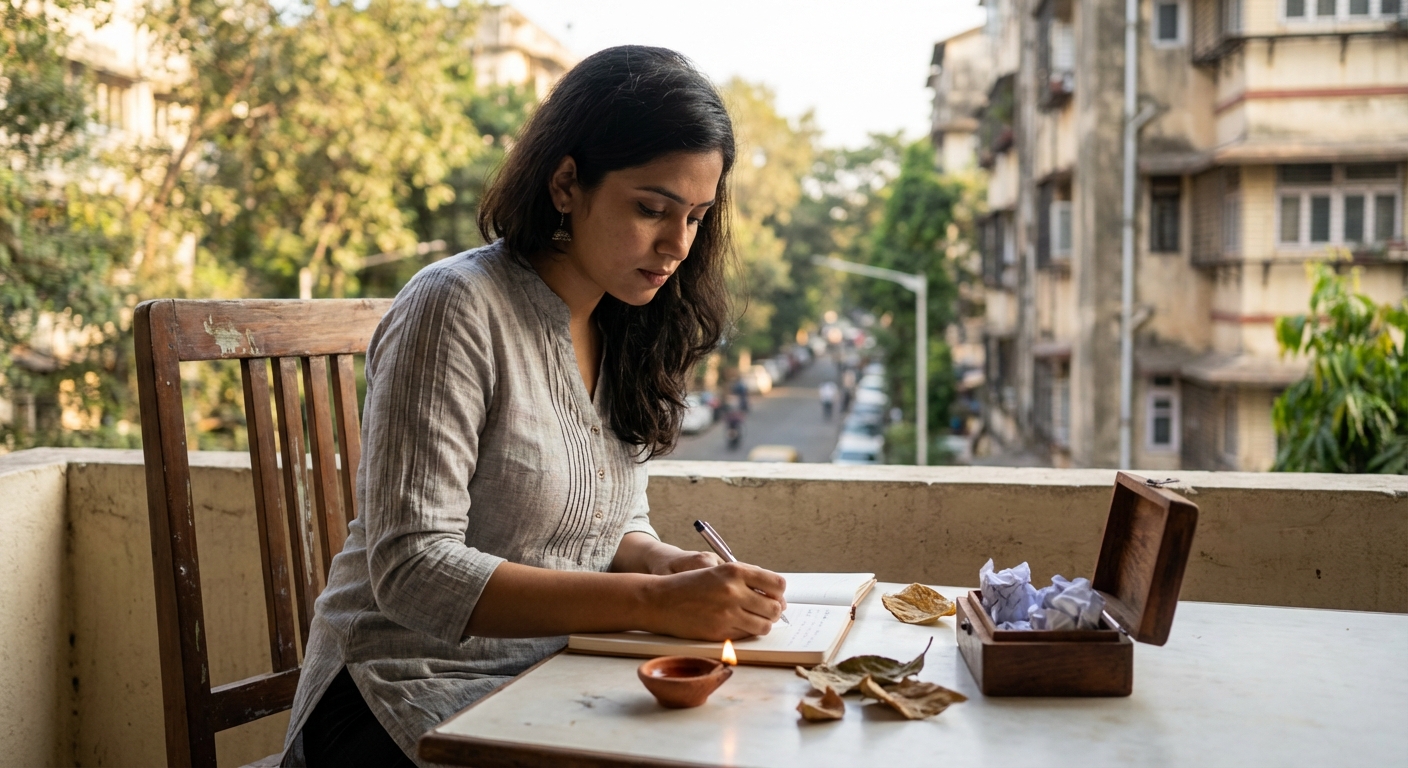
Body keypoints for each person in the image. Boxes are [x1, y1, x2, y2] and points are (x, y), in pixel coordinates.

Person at [281, 46, 788, 768]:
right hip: (398, 694)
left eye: (697, 218)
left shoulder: (626, 324)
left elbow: (609, 525)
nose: (676, 244)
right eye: (651, 209)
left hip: (551, 678)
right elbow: (411, 566)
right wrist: (649, 604)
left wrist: (665, 563)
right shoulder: (454, 305)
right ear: (566, 184)